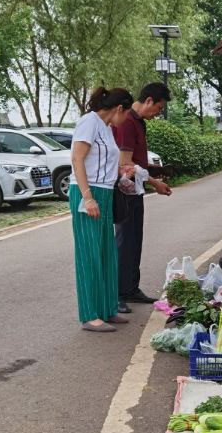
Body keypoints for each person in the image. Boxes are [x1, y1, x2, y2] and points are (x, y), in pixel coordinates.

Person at [69, 86, 135, 333]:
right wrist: (87, 198)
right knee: (89, 254)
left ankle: (107, 308)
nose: (126, 119)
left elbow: (101, 161)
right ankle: (89, 314)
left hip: (105, 192)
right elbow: (77, 159)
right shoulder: (89, 122)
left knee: (107, 253)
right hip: (88, 193)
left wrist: (120, 172)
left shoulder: (107, 128)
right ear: (120, 108)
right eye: (127, 113)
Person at [114, 82, 173, 310]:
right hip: (125, 189)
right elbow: (125, 164)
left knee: (134, 239)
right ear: (148, 100)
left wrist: (154, 171)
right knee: (125, 240)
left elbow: (136, 161)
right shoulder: (127, 122)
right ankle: (118, 293)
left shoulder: (138, 122)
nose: (157, 114)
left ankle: (130, 288)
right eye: (158, 109)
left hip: (136, 188)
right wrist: (154, 182)